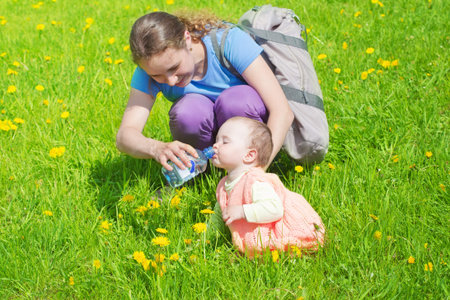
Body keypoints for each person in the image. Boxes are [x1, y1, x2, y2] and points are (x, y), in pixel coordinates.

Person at [116, 10, 294, 172]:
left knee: (236, 100)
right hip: (208, 148)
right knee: (188, 112)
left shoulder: (229, 42)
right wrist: (157, 148)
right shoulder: (149, 68)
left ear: (186, 39)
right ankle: (203, 172)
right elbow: (125, 136)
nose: (170, 80)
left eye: (174, 67)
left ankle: (246, 166)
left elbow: (282, 112)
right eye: (157, 76)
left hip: (248, 132)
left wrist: (259, 170)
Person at [211, 116, 325, 257]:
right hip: (256, 234)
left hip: (280, 230)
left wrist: (242, 211)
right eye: (216, 140)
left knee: (281, 250)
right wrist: (208, 237)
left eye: (225, 142)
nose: (215, 145)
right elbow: (221, 213)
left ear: (249, 155)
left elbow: (274, 209)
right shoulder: (223, 185)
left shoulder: (255, 181)